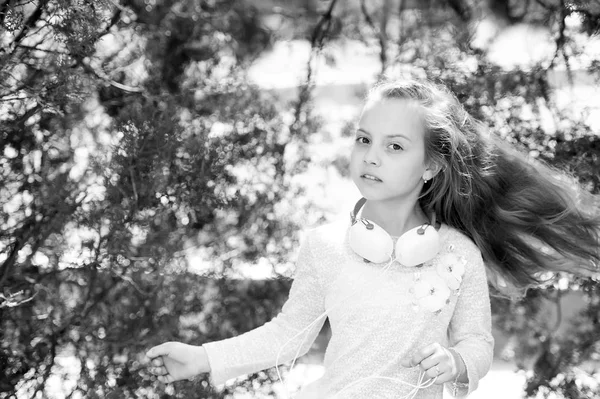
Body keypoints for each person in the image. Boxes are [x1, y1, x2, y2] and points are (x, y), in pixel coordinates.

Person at [145, 78, 600, 398]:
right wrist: (203, 358)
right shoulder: (324, 245)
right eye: (364, 139)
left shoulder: (458, 253)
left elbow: (478, 342)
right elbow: (290, 336)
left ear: (430, 167)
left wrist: (459, 364)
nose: (372, 157)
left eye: (395, 146)